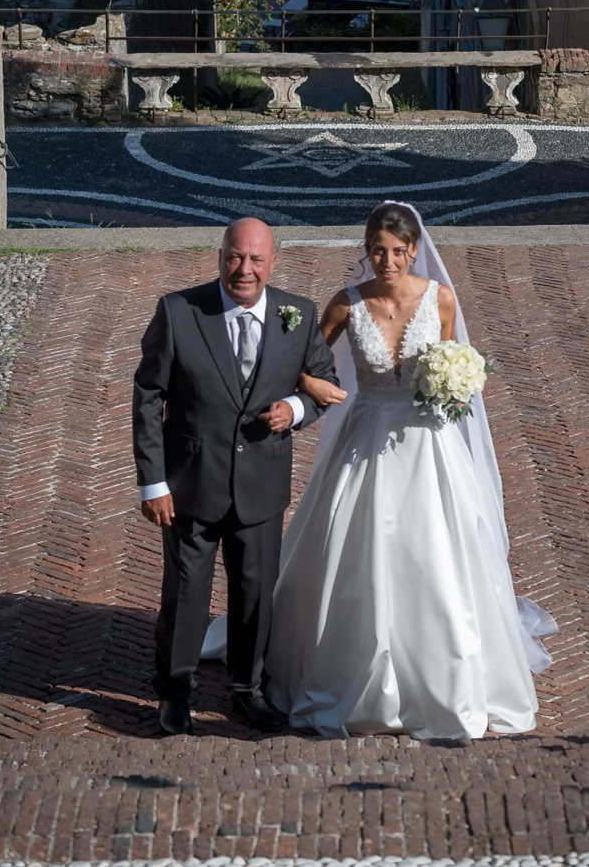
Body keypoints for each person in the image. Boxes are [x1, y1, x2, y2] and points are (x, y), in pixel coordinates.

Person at [263, 199, 557, 738]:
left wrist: (453, 383)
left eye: (398, 252)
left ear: (415, 251)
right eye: (378, 251)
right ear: (367, 251)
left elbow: (452, 362)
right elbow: (294, 360)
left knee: (440, 556)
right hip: (366, 437)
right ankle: (354, 678)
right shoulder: (346, 305)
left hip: (430, 446)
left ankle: (443, 681)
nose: (388, 262)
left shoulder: (441, 299)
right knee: (355, 552)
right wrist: (314, 385)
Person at [133, 216, 342, 735]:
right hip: (190, 486)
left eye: (255, 260)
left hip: (261, 488)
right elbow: (148, 395)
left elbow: (327, 382)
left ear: (274, 262)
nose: (243, 269)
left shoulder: (299, 313)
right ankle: (175, 692)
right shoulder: (179, 312)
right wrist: (153, 482)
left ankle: (248, 691)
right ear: (220, 255)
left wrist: (294, 409)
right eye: (233, 256)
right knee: (185, 594)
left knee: (255, 594)